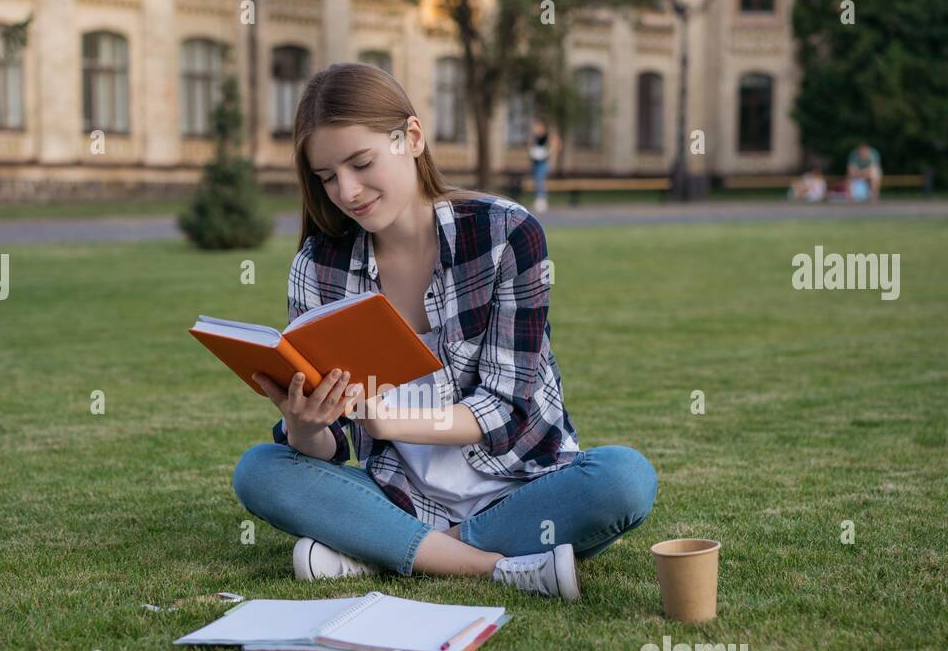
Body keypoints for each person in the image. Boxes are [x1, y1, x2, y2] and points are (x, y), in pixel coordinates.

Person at [232, 62, 658, 601]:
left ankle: (385, 550)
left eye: (361, 163)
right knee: (261, 470)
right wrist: (302, 424)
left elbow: (508, 407)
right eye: (327, 177)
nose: (347, 191)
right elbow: (329, 449)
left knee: (624, 479)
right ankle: (493, 566)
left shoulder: (505, 233)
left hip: (523, 484)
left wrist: (388, 420)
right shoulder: (319, 267)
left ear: (412, 137)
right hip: (398, 495)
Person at [528, 118, 559, 213]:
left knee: (540, 180)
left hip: (543, 162)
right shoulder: (534, 137)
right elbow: (530, 148)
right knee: (537, 180)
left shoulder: (548, 137)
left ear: (542, 127)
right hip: (536, 162)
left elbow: (555, 146)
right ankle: (539, 200)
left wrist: (551, 161)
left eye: (537, 127)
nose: (535, 129)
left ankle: (542, 200)